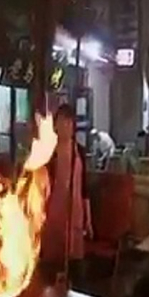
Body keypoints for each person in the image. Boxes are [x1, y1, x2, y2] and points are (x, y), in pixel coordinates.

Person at [41, 104, 93, 284]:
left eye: (69, 123)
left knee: (74, 257)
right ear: (55, 126)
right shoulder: (48, 152)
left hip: (76, 210)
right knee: (53, 256)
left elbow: (85, 187)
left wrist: (88, 218)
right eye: (61, 123)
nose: (65, 127)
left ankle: (75, 294)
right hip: (54, 210)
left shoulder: (80, 151)